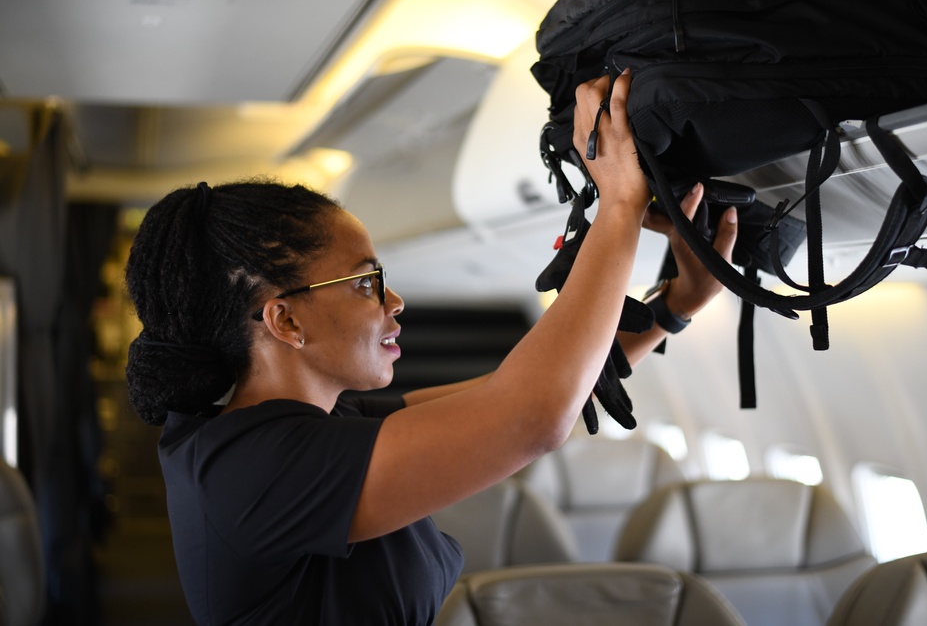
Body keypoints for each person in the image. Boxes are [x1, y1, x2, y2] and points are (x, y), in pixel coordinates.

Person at [123, 70, 738, 625]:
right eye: (367, 282)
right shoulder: (253, 468)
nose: (395, 303)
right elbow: (532, 416)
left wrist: (673, 306)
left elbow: (528, 391)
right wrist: (620, 205)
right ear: (285, 320)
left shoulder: (317, 426)